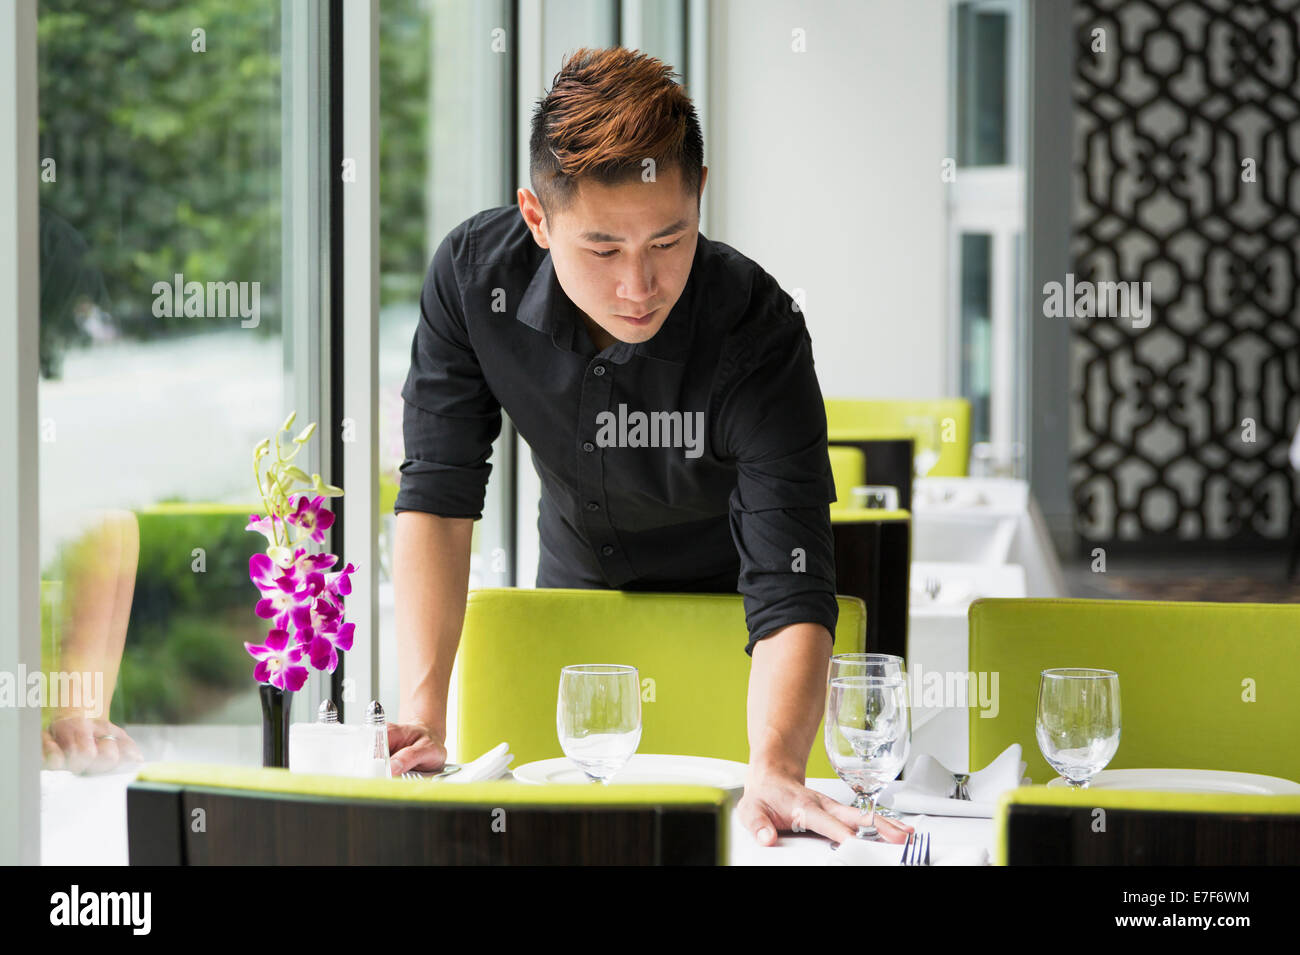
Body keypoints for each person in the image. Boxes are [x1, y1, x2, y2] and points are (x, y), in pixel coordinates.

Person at [387, 46, 912, 847]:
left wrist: (776, 763)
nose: (639, 287)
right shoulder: (471, 280)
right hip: (568, 615)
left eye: (668, 242)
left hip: (736, 638)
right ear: (537, 217)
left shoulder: (757, 331)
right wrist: (422, 714)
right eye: (602, 250)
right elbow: (438, 493)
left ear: (699, 193)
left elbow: (790, 581)